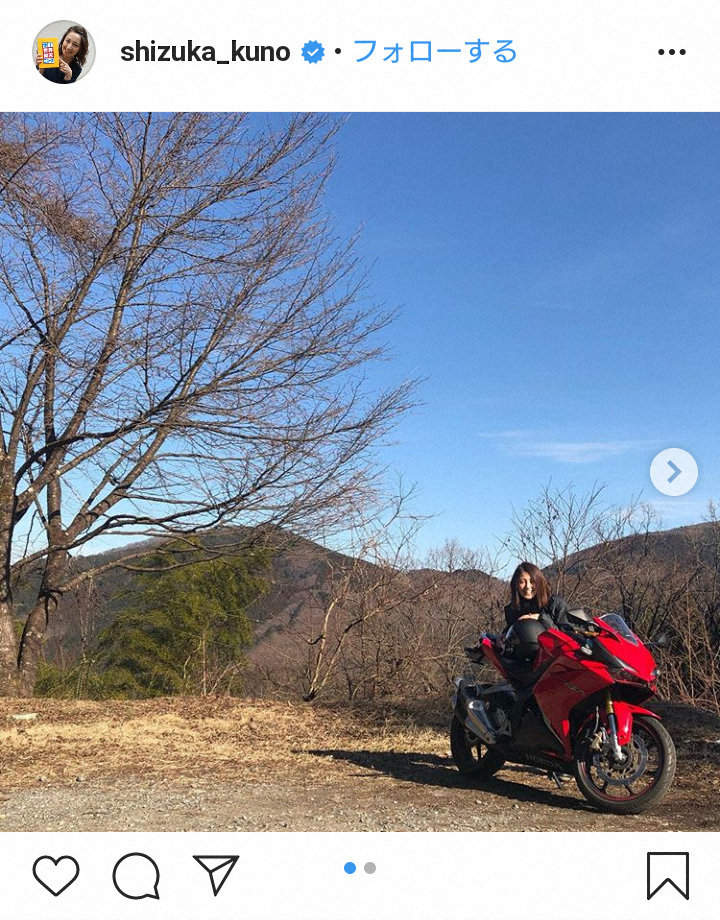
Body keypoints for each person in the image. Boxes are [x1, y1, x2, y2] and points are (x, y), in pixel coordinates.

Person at [503, 562, 570, 662]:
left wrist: (540, 618)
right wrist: (503, 636)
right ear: (516, 584)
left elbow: (569, 637)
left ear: (539, 581)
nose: (528, 587)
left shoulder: (555, 603)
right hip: (525, 666)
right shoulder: (513, 609)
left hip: (557, 663)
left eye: (532, 581)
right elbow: (513, 633)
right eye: (522, 582)